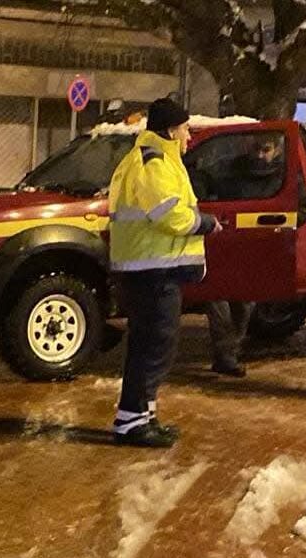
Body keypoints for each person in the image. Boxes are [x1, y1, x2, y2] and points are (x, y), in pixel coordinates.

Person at [108, 98, 220, 448]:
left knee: (150, 345)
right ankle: (131, 422)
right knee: (155, 346)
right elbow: (169, 215)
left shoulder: (153, 159)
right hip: (152, 271)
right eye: (185, 129)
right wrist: (205, 223)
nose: (189, 136)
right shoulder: (154, 163)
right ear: (171, 130)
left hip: (150, 268)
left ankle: (142, 416)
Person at [203, 136, 284, 377]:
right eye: (256, 148)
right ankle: (225, 355)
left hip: (256, 247)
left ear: (277, 150)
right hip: (226, 244)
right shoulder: (230, 169)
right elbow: (209, 187)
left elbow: (300, 207)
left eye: (266, 149)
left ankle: (230, 350)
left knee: (245, 303)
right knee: (217, 297)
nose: (259, 155)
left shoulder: (284, 175)